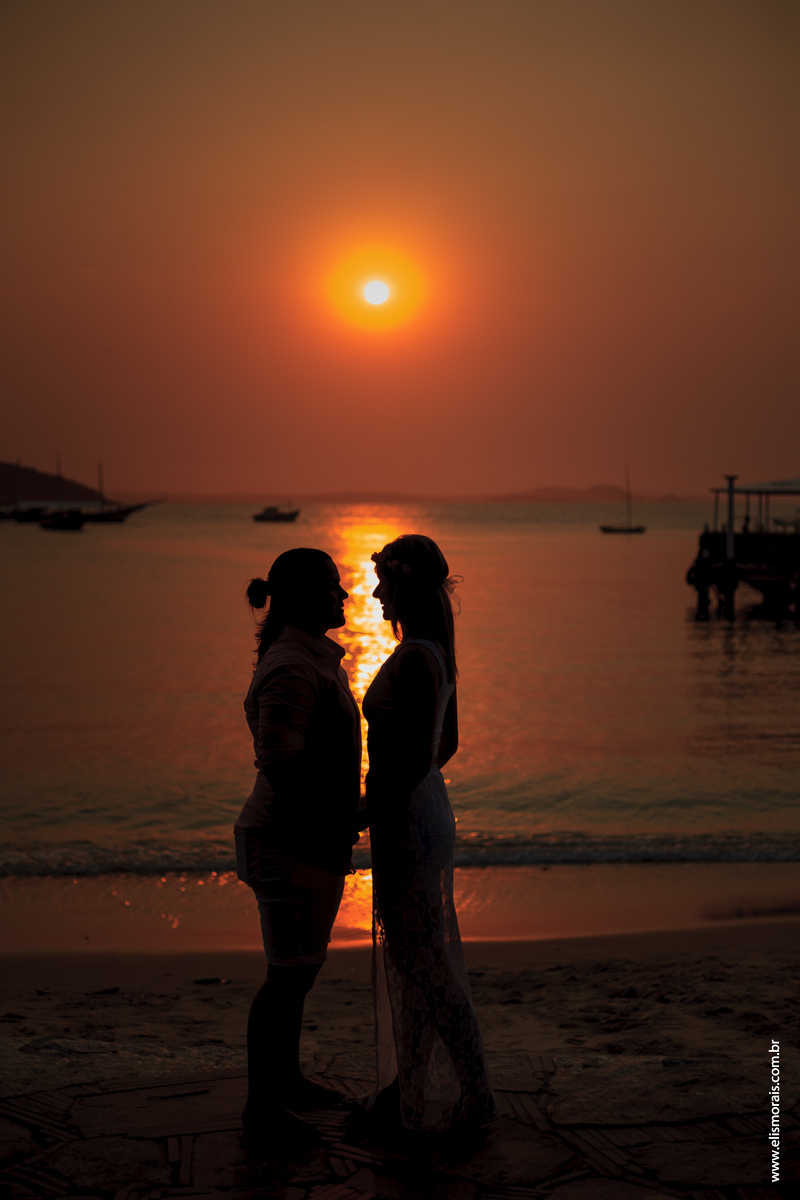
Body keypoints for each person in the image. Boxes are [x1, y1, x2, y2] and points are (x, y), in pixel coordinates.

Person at [360, 534, 498, 1133]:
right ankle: (409, 1090)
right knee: (415, 960)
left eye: (384, 582)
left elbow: (419, 758)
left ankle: (477, 1092)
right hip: (420, 810)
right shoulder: (435, 651)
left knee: (425, 965)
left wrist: (367, 811)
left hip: (407, 818)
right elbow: (448, 746)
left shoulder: (417, 657)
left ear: (405, 585)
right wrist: (402, 795)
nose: (375, 593)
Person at [234, 548, 361, 1148]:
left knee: (300, 970)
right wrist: (343, 814)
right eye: (334, 587)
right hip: (286, 839)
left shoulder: (310, 658)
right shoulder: (291, 665)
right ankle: (262, 1107)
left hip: (308, 836)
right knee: (286, 976)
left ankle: (285, 1081)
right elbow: (281, 762)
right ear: (306, 598)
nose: (344, 595)